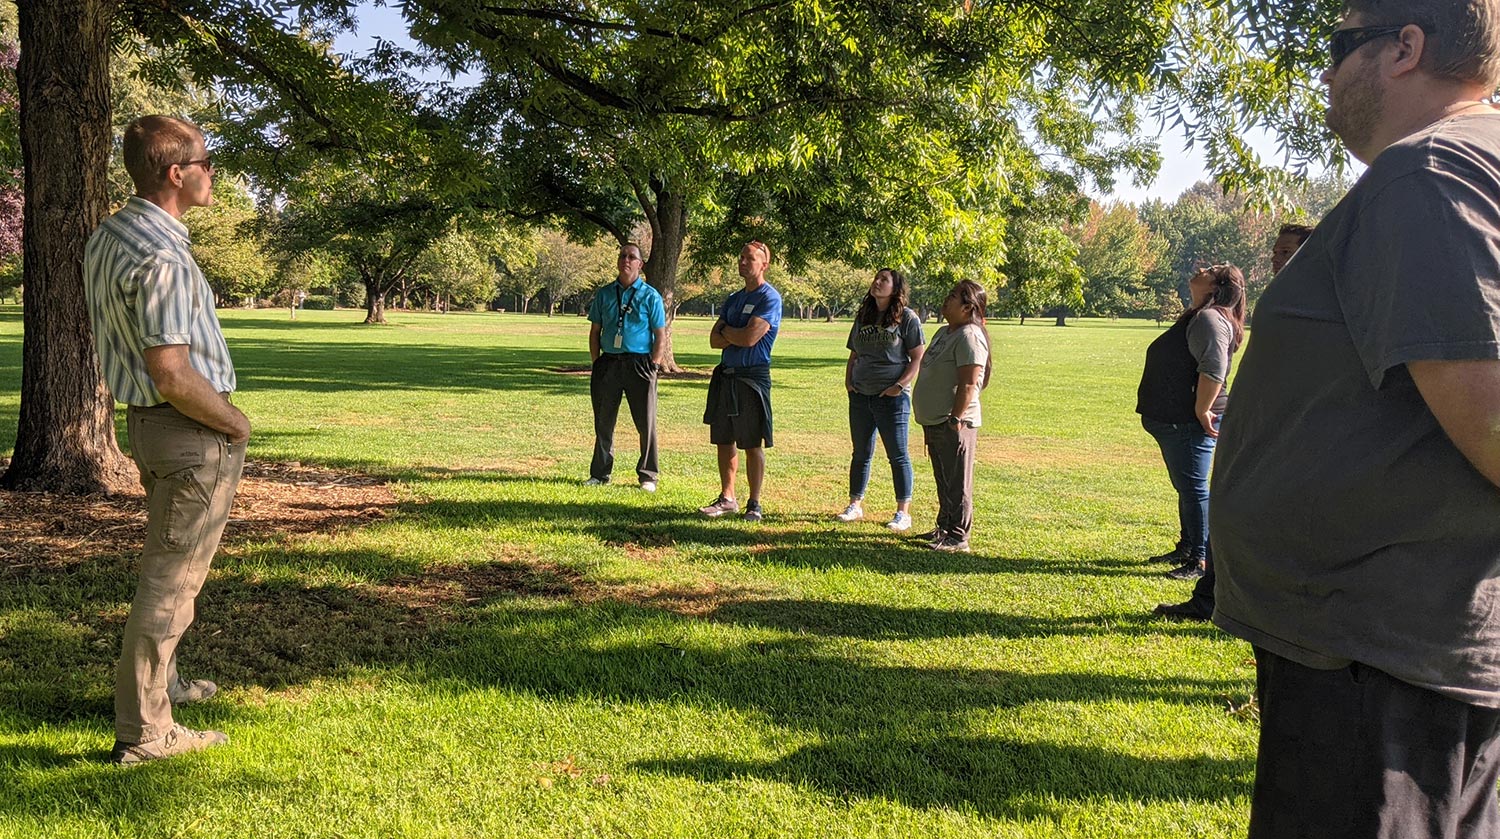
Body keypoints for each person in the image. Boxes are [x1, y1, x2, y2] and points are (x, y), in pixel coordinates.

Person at [1212, 2, 1500, 834]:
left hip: (1380, 672)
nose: (1327, 73)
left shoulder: (1431, 172)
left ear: (1406, 47)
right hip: (1396, 657)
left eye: (1341, 45)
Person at [83, 116, 250, 765]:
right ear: (178, 173)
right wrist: (234, 423)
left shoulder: (110, 235)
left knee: (170, 567)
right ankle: (147, 730)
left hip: (149, 428)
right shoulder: (162, 254)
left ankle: (164, 685)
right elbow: (172, 370)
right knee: (170, 583)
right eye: (208, 160)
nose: (215, 171)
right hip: (186, 429)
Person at [1156, 231, 1309, 622]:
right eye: (1275, 250)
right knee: (1214, 496)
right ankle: (1204, 580)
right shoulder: (1285, 298)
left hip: (1279, 425)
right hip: (1261, 419)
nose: (1276, 257)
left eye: (1286, 251)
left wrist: (1203, 408)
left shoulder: (1216, 318)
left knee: (1214, 496)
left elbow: (1214, 368)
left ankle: (1204, 572)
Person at [1135, 264, 1247, 584]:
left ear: (1217, 287)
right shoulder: (1200, 315)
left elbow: (1213, 367)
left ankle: (1199, 558)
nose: (1200, 268)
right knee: (1187, 487)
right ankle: (1188, 547)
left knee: (1194, 489)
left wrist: (1201, 410)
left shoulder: (1209, 318)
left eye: (1209, 270)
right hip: (1177, 419)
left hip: (1189, 420)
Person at [699, 241, 782, 522]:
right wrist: (736, 333)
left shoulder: (769, 298)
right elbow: (713, 339)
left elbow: (750, 339)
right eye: (741, 257)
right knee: (724, 439)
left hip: (752, 378)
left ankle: (754, 503)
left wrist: (729, 332)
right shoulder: (733, 298)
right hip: (726, 375)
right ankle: (727, 498)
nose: (743, 262)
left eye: (750, 258)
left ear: (764, 265)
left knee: (751, 442)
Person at [836, 268, 925, 531]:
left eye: (883, 280)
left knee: (897, 455)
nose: (877, 282)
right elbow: (854, 354)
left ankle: (902, 512)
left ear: (895, 288)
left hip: (892, 399)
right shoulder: (864, 316)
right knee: (860, 453)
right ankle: (854, 505)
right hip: (861, 395)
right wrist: (849, 381)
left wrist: (898, 386)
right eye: (876, 278)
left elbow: (917, 357)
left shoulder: (907, 318)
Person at [910, 280, 992, 553]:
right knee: (943, 477)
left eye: (953, 296)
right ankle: (944, 527)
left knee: (957, 481)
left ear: (968, 307)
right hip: (936, 419)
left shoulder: (969, 335)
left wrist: (956, 418)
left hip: (955, 421)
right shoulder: (945, 332)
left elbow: (970, 383)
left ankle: (958, 537)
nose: (947, 300)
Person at [584, 243, 667, 491]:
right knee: (604, 421)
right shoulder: (605, 294)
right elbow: (595, 330)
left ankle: (648, 475)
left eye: (632, 257)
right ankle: (600, 473)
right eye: (622, 256)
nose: (626, 260)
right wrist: (596, 360)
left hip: (640, 363)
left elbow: (660, 334)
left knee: (646, 423)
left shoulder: (650, 295)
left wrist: (655, 364)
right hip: (608, 362)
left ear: (640, 264)